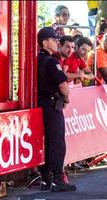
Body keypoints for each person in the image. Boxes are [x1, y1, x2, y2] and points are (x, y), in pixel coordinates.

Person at [36, 27, 76, 192]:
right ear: (45, 43)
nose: (57, 42)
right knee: (56, 143)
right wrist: (66, 98)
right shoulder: (52, 61)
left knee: (44, 143)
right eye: (54, 39)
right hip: (52, 106)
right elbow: (63, 86)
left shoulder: (35, 59)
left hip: (39, 105)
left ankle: (46, 180)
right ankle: (58, 180)